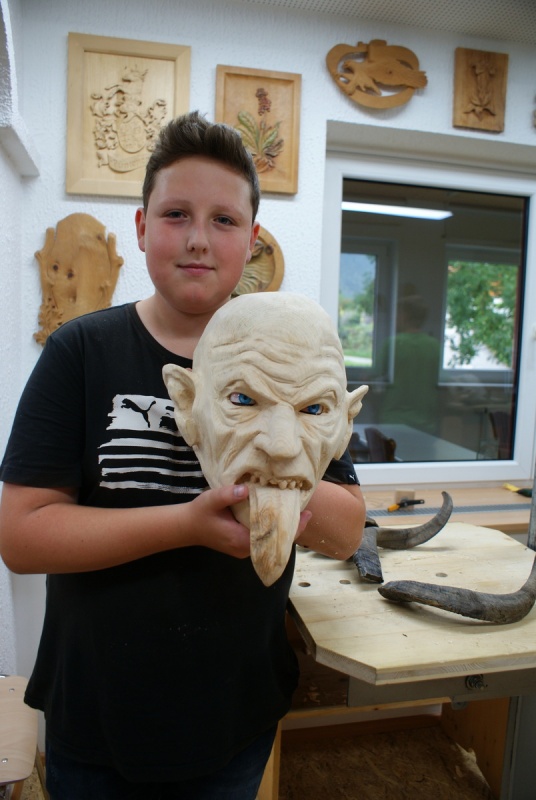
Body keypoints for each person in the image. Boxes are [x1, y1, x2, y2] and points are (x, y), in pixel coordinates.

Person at [0, 111, 366, 800]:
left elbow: (347, 532)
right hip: (97, 714)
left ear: (252, 241)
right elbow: (21, 537)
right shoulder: (81, 352)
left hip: (235, 711)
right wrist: (186, 525)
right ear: (142, 227)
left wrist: (280, 450)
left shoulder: (298, 355)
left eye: (224, 220)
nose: (199, 238)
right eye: (176, 214)